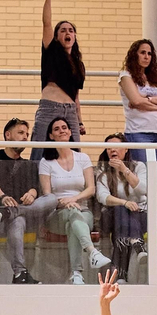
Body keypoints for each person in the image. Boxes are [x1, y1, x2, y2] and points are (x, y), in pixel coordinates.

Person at [36, 117, 108, 284]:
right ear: (51, 136)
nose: (61, 130)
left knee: (73, 221)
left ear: (69, 132)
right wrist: (64, 202)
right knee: (71, 213)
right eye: (57, 129)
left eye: (64, 127)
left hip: (82, 211)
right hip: (56, 214)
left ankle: (77, 274)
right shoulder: (46, 162)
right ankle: (91, 252)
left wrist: (73, 199)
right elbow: (48, 195)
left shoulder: (83, 158)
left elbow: (91, 189)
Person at [0, 118, 39, 284]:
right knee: (8, 216)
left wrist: (32, 194)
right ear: (8, 135)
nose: (25, 137)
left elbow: (35, 187)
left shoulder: (29, 165)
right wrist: (3, 198)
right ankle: (7, 211)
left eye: (26, 134)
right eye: (20, 133)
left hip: (16, 216)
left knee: (23, 217)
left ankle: (20, 274)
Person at [32, 0, 83, 160]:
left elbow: (76, 95)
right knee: (39, 149)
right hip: (49, 107)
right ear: (56, 35)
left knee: (76, 152)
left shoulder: (77, 63)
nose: (67, 33)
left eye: (70, 30)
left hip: (69, 110)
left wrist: (80, 120)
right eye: (62, 30)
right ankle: (33, 187)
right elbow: (46, 23)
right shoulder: (51, 51)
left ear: (74, 36)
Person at [96, 134, 147, 284]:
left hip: (139, 216)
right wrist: (124, 202)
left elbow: (142, 190)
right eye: (109, 147)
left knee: (123, 226)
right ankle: (138, 244)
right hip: (111, 217)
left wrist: (124, 169)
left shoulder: (139, 166)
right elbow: (102, 196)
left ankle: (120, 276)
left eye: (116, 146)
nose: (112, 150)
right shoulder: (102, 169)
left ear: (126, 149)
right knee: (120, 211)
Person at [118, 39, 157, 176]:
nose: (146, 56)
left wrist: (147, 100)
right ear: (134, 55)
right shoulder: (126, 75)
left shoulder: (154, 77)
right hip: (138, 133)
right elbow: (135, 101)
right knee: (146, 178)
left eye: (149, 53)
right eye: (142, 53)